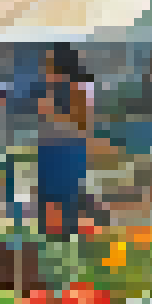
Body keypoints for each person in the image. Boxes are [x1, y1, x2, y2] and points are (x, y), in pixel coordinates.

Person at [34, 44, 96, 237]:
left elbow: (82, 123)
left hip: (67, 150)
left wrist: (51, 112)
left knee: (66, 201)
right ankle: (49, 238)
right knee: (47, 201)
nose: (45, 69)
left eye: (50, 63)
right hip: (50, 150)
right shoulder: (51, 89)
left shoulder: (80, 87)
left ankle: (66, 238)